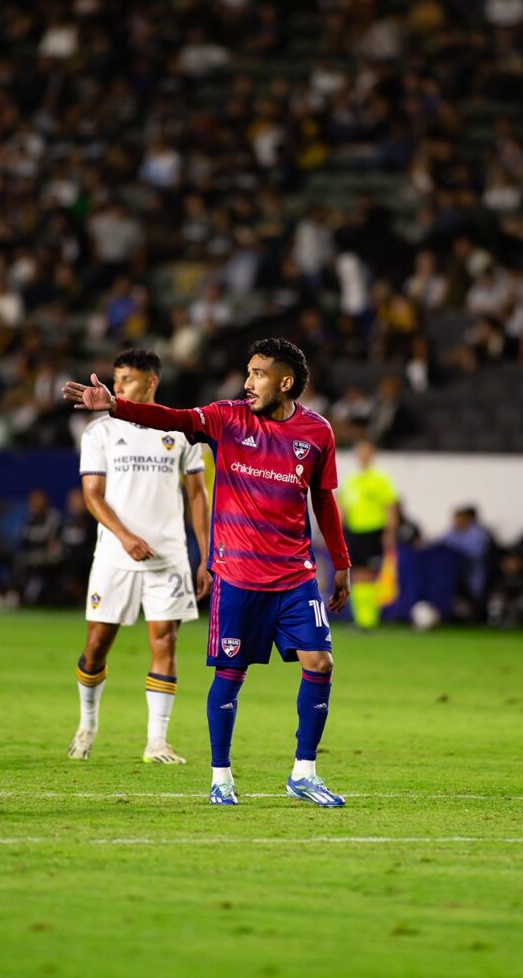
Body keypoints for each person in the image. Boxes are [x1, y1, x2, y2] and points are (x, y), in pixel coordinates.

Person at [63, 338, 352, 808]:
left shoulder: (317, 432)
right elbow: (172, 419)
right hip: (238, 574)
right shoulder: (226, 417)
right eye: (247, 372)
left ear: (285, 381)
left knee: (320, 663)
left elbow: (323, 499)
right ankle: (221, 777)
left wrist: (340, 562)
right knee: (231, 674)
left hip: (296, 575)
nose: (247, 382)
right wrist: (116, 407)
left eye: (257, 373)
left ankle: (305, 771)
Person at [68, 349, 211, 765]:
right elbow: (92, 498)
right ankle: (88, 723)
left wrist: (204, 554)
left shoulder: (181, 432)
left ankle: (156, 743)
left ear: (151, 382)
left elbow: (197, 496)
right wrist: (126, 536)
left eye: (127, 380)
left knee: (165, 643)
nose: (117, 388)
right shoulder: (100, 434)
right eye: (116, 380)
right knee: (96, 647)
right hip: (115, 556)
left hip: (168, 557)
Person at [338, 439, 398, 630]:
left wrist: (389, 532)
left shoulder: (380, 480)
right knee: (356, 575)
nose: (363, 456)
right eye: (360, 452)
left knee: (368, 575)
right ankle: (363, 620)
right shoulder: (351, 481)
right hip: (354, 532)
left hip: (373, 532)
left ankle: (368, 620)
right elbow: (343, 509)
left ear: (373, 454)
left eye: (367, 452)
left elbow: (390, 507)